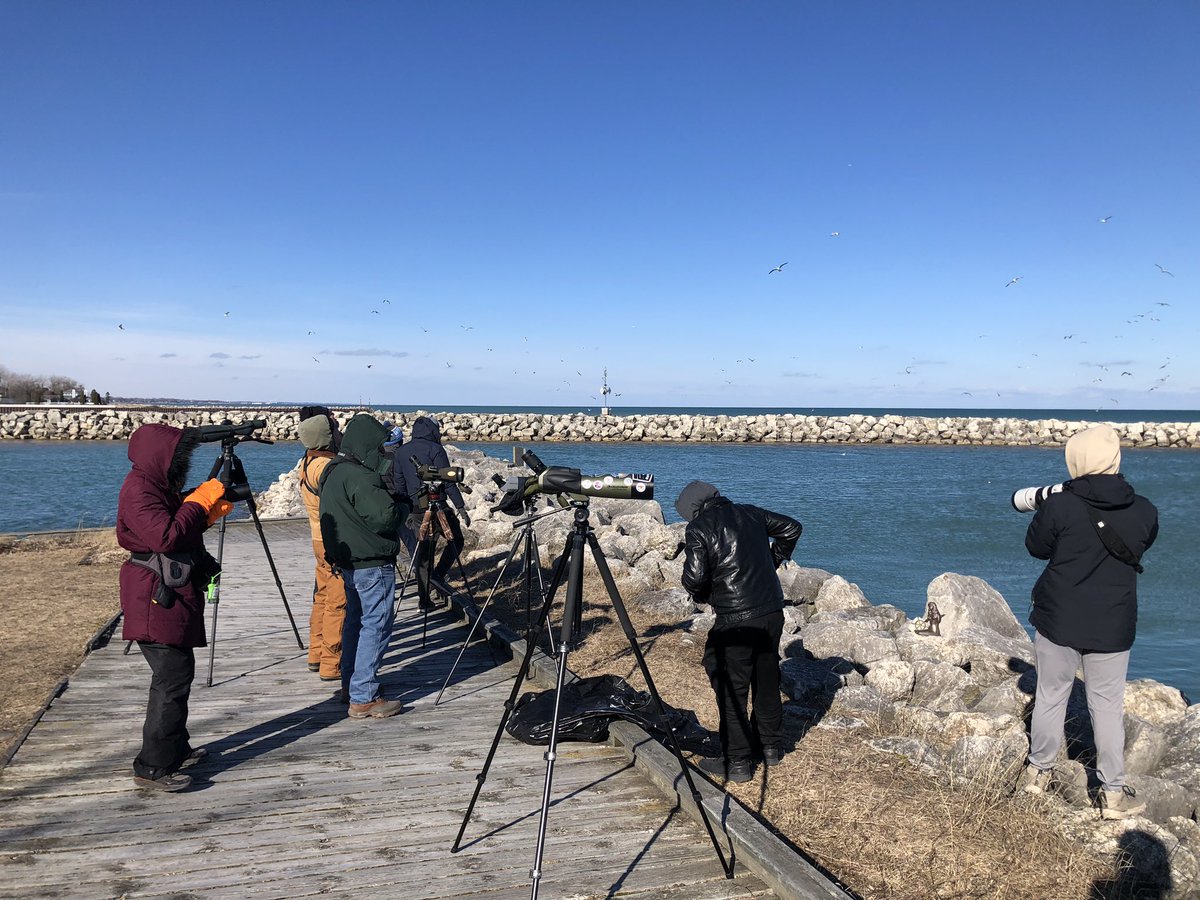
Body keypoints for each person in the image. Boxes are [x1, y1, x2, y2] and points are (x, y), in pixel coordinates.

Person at [1019, 423, 1158, 818]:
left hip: (1059, 617)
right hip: (1113, 623)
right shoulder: (1146, 510)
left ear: (1075, 460)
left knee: (1050, 694)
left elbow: (1036, 548)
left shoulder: (1060, 504)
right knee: (1108, 706)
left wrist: (1049, 505)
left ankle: (1037, 775)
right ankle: (1113, 794)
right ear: (1115, 459)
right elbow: (1142, 542)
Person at [117, 423, 232, 791]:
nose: (180, 464)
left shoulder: (154, 485)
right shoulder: (138, 490)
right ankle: (152, 767)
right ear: (161, 457)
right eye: (177, 458)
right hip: (154, 593)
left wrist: (203, 510)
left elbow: (173, 521)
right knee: (171, 678)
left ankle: (176, 749)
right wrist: (199, 502)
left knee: (179, 672)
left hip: (164, 590)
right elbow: (164, 536)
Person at [676, 480, 802, 783]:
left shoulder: (699, 528)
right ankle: (771, 747)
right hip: (771, 611)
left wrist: (707, 591)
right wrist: (771, 561)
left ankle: (738, 762)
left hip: (735, 617)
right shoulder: (752, 513)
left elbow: (693, 579)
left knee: (731, 688)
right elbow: (792, 528)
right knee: (766, 674)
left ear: (693, 509)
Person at [318, 412, 405, 719]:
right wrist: (403, 505)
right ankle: (364, 695)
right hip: (372, 562)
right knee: (376, 626)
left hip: (349, 562)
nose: (383, 454)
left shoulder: (333, 470)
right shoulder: (360, 476)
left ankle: (351, 684)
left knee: (356, 621)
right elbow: (385, 518)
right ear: (368, 445)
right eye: (380, 448)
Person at [398, 416, 470, 609]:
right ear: (433, 431)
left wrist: (405, 510)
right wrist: (460, 506)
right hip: (438, 506)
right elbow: (446, 479)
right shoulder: (435, 449)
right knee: (456, 540)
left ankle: (424, 600)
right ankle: (437, 576)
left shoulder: (401, 451)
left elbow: (399, 485)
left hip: (414, 510)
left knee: (423, 556)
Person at [297, 409, 346, 682]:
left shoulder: (306, 461)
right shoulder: (326, 467)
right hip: (332, 539)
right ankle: (332, 663)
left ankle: (315, 653)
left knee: (322, 597)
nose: (339, 434)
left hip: (317, 537)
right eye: (335, 431)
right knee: (338, 602)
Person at [381, 424, 417, 555]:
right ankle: (419, 569)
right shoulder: (401, 458)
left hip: (382, 504)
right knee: (411, 540)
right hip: (401, 504)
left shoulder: (376, 458)